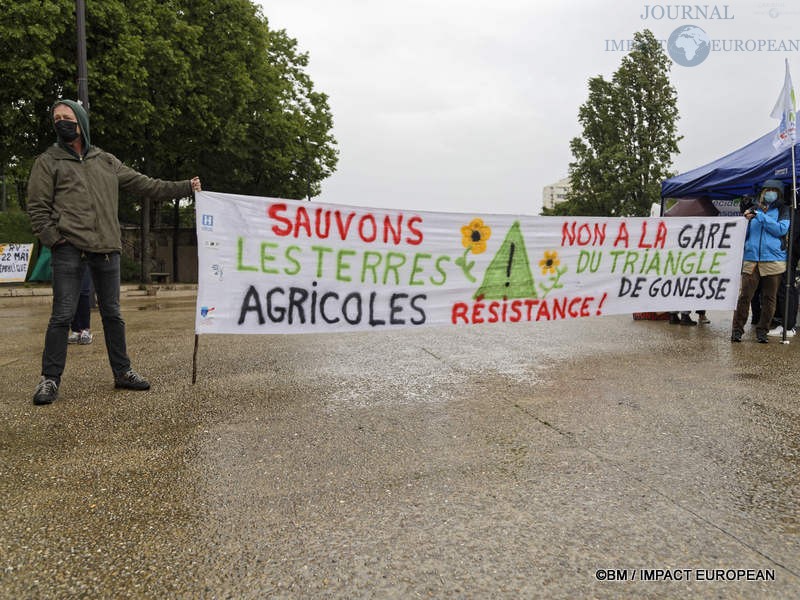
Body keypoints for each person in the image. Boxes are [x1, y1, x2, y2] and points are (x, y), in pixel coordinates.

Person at [27, 99, 202, 405]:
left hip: (107, 248)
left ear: (81, 122)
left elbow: (148, 185)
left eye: (67, 117)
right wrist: (55, 239)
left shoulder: (105, 160)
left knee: (113, 314)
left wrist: (186, 187)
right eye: (56, 118)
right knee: (62, 316)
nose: (60, 122)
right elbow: (37, 208)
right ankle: (49, 379)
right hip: (68, 249)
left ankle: (122, 373)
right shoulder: (48, 161)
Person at [730, 179, 790, 343]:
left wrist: (761, 217)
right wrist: (746, 221)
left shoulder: (783, 209)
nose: (769, 193)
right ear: (762, 192)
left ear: (779, 193)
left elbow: (781, 229)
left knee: (769, 299)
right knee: (745, 297)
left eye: (773, 190)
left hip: (773, 261)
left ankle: (762, 331)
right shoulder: (753, 209)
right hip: (751, 259)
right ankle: (737, 330)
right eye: (766, 190)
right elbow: (744, 234)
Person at [68, 264, 94, 344]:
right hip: (70, 259)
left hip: (85, 258)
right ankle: (76, 330)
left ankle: (85, 330)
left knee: (83, 292)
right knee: (72, 293)